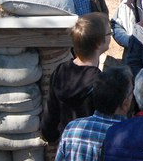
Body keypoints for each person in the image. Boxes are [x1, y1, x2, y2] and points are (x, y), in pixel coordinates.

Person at [40, 12, 111, 143]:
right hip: (90, 149)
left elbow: (50, 117)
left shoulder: (61, 70)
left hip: (66, 145)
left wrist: (53, 137)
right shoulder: (100, 82)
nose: (111, 36)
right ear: (97, 43)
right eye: (109, 34)